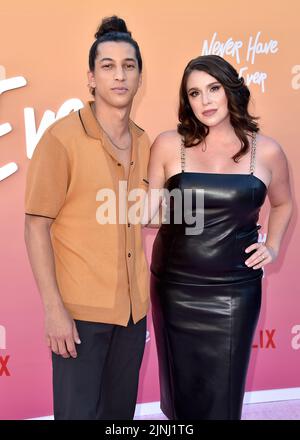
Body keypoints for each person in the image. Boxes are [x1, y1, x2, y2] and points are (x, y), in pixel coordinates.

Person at [147, 55, 292, 420]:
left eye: (213, 88)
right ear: (187, 102)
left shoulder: (268, 150)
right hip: (176, 287)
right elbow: (146, 212)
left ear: (230, 90)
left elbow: (285, 204)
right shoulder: (168, 145)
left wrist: (272, 246)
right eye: (194, 93)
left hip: (235, 291)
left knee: (223, 397)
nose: (206, 101)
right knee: (180, 397)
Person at [24, 16, 150, 420]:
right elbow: (36, 224)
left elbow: (150, 213)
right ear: (91, 78)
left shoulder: (147, 142)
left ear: (139, 76)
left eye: (128, 66)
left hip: (133, 315)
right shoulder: (61, 139)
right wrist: (53, 309)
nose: (119, 75)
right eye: (108, 66)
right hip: (78, 317)